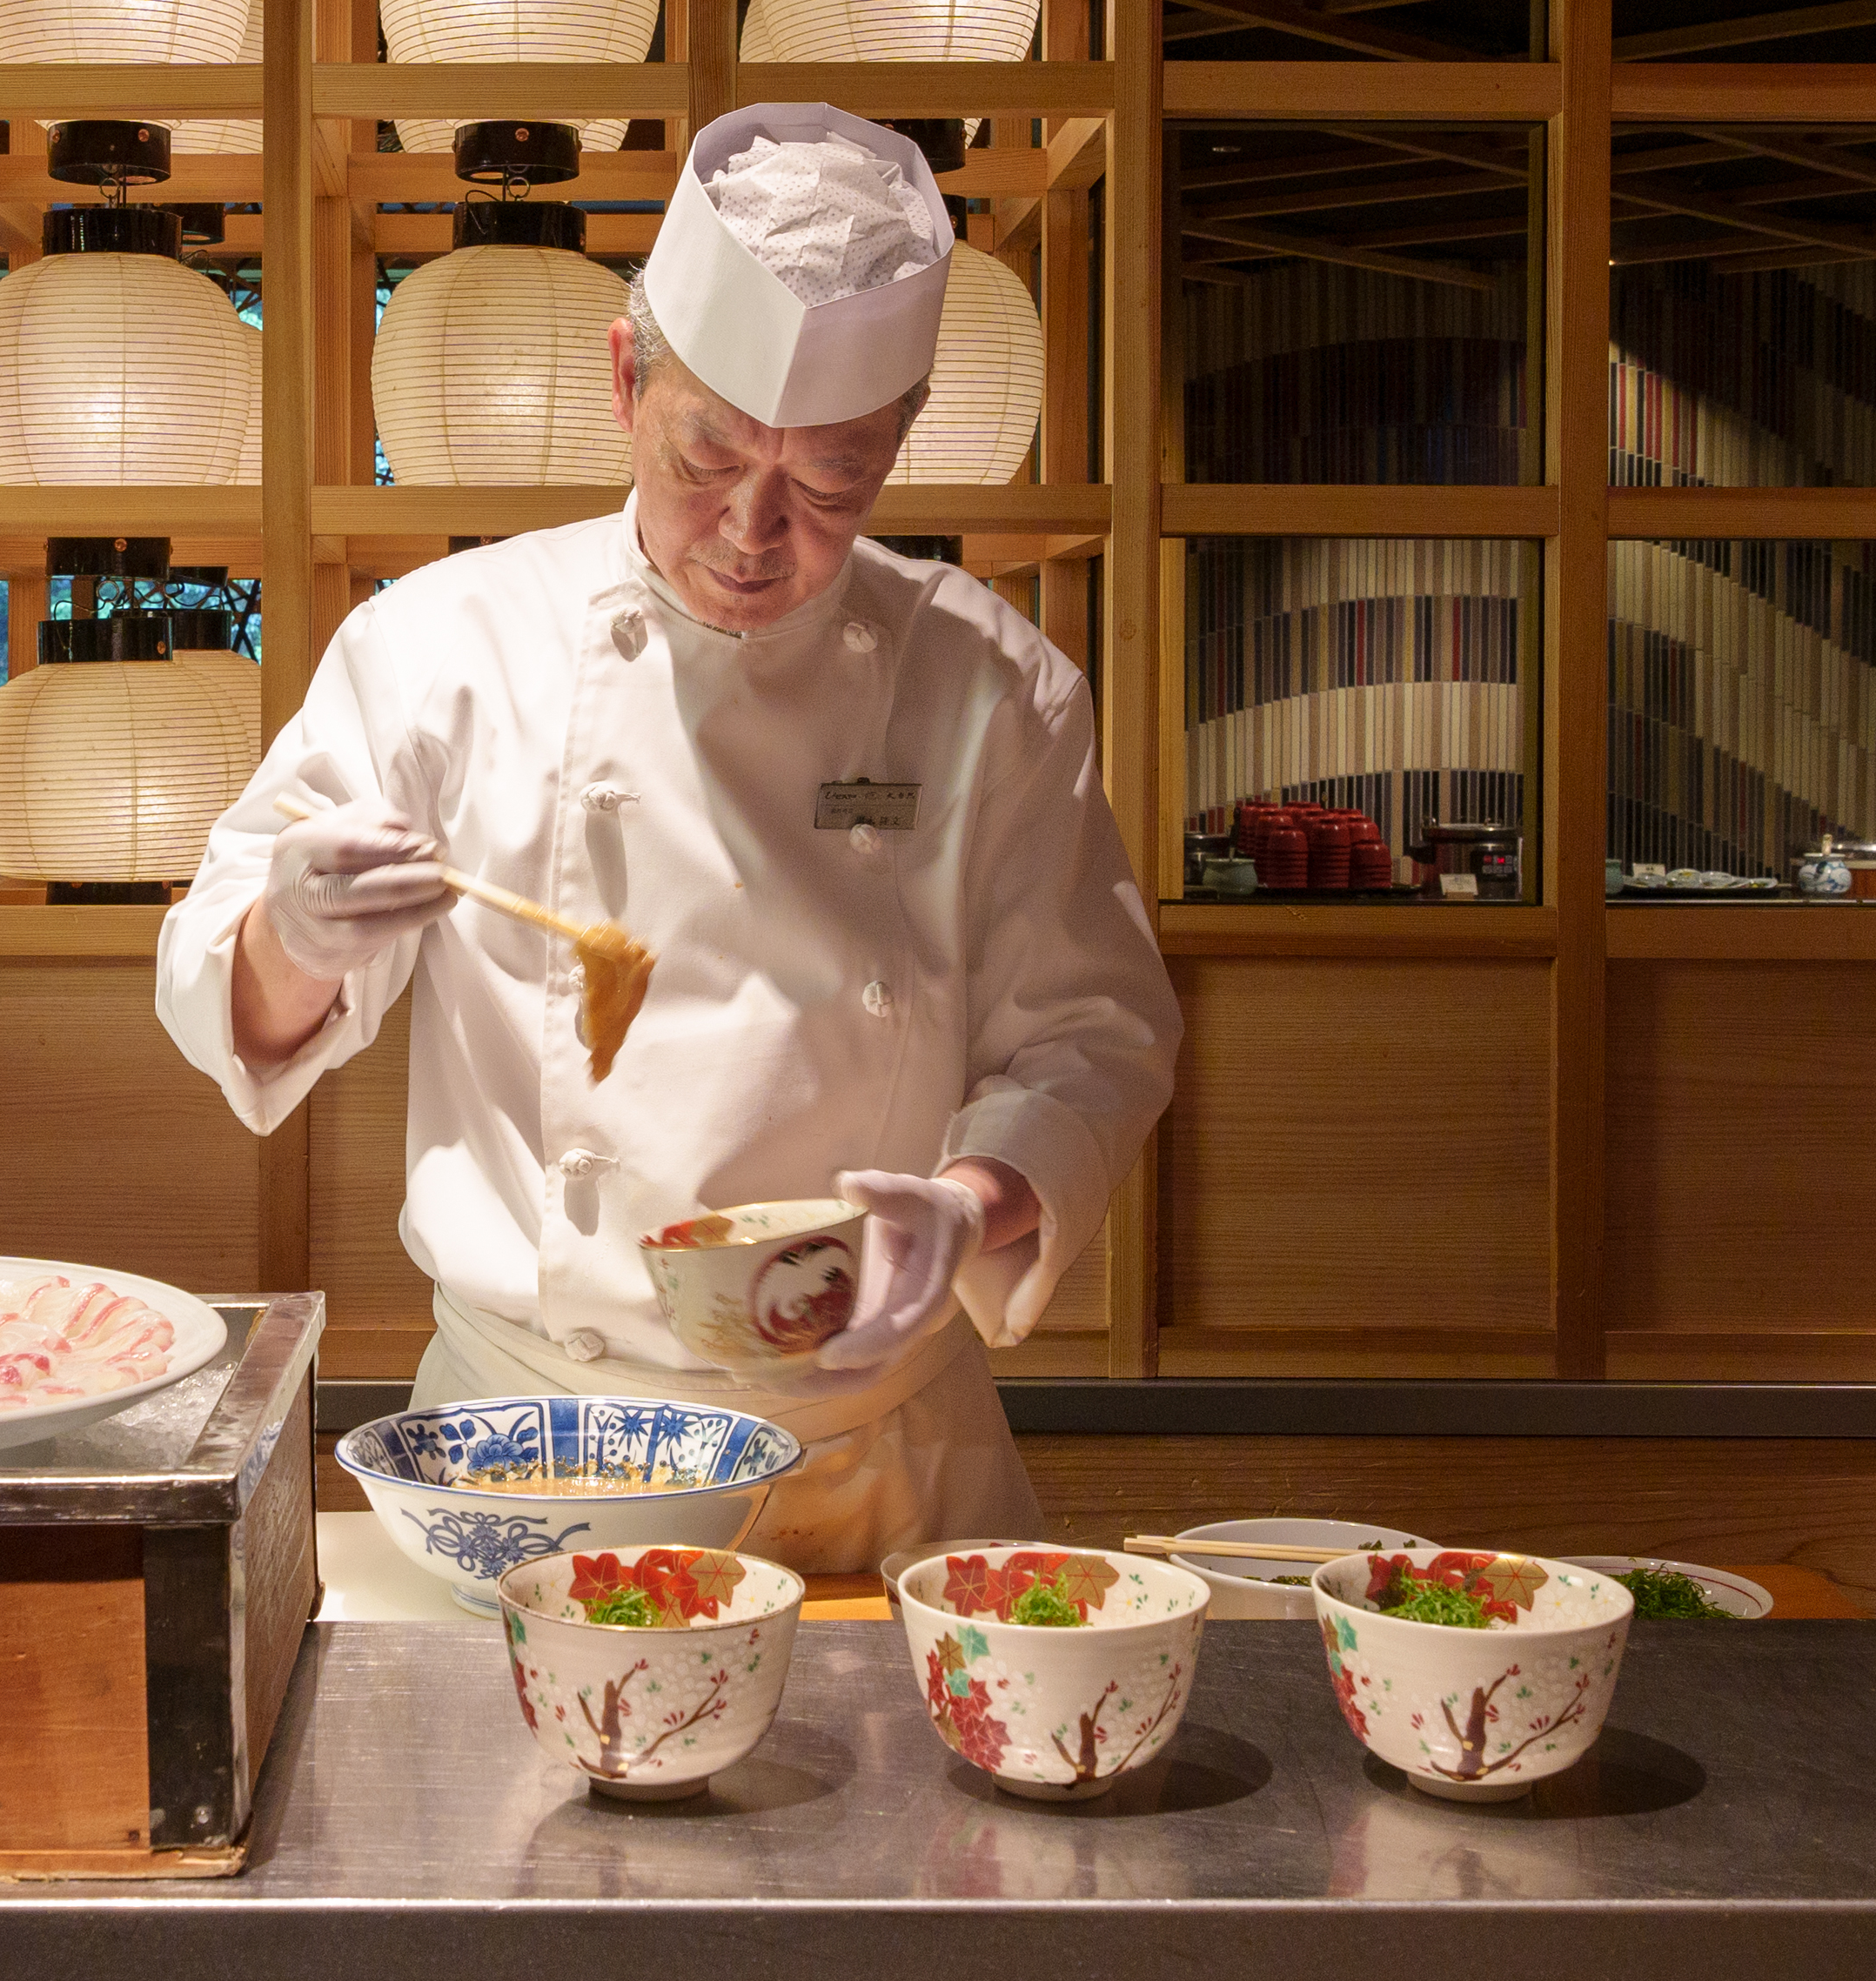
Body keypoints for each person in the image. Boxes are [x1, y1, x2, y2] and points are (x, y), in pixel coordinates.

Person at [157, 104, 1180, 1571]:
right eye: (709, 455)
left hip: (873, 1461)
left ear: (899, 437)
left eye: (829, 484)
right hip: (535, 1449)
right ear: (629, 379)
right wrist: (296, 936)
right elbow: (226, 1000)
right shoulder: (444, 648)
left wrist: (973, 1202)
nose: (753, 531)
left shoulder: (994, 688)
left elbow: (1095, 1038)